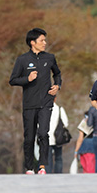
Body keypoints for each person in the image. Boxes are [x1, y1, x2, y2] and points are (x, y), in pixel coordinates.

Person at [9, 27, 62, 175]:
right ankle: (29, 168)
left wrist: (57, 85)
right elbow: (12, 80)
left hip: (46, 102)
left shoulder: (50, 58)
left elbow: (57, 74)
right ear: (32, 42)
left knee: (44, 134)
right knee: (29, 137)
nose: (45, 43)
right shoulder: (22, 60)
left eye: (45, 40)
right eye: (42, 40)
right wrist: (27, 79)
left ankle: (42, 166)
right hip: (29, 104)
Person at [47, 95, 69, 173]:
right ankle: (58, 174)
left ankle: (48, 175)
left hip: (47, 138)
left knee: (48, 158)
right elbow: (66, 123)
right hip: (58, 138)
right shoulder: (59, 109)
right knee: (58, 157)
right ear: (55, 99)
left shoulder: (43, 109)